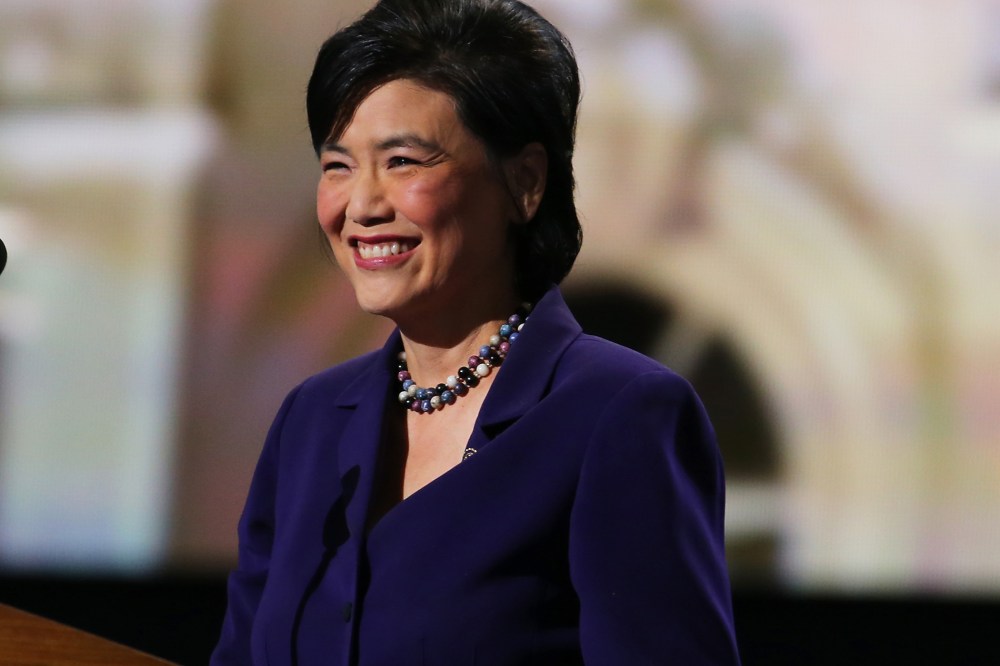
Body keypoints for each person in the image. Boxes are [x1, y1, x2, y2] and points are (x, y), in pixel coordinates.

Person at [211, 0, 741, 664]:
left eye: (403, 161)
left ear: (524, 183)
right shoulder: (310, 422)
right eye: (337, 166)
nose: (362, 206)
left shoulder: (620, 414)